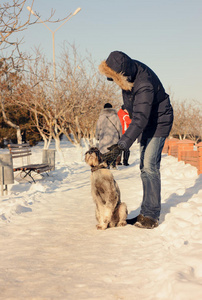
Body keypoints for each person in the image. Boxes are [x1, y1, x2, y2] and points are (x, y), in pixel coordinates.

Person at [99, 51, 173, 229]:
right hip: (147, 122)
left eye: (115, 77)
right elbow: (137, 104)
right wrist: (126, 107)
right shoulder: (130, 73)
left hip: (158, 122)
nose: (114, 81)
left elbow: (140, 118)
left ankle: (152, 215)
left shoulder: (144, 83)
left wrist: (122, 145)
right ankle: (145, 211)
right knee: (143, 168)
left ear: (122, 74)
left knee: (150, 166)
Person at [95, 103, 122, 168]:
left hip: (104, 138)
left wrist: (97, 136)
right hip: (114, 137)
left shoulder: (101, 117)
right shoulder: (115, 116)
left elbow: (98, 128)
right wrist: (121, 136)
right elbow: (119, 127)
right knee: (113, 151)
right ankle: (113, 164)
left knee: (105, 152)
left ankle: (106, 164)